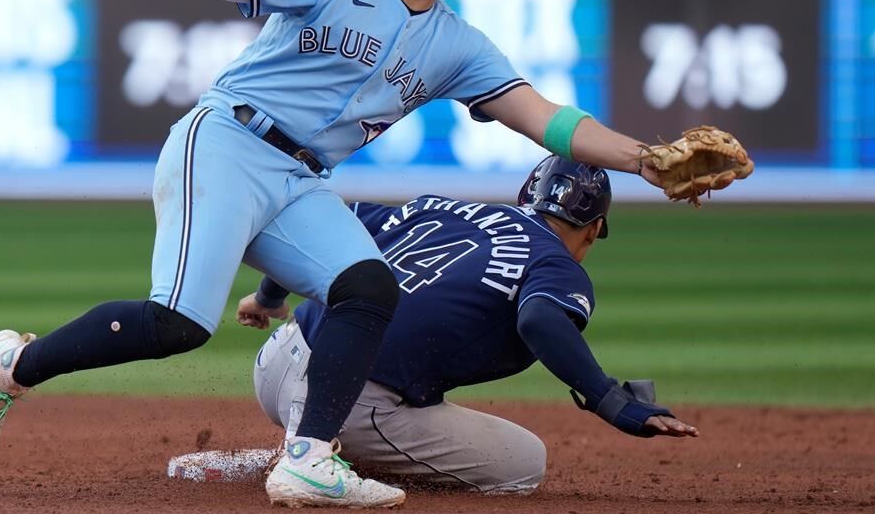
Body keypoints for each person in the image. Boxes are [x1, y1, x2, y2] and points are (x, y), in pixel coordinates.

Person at [0, 0, 667, 509]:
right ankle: (14, 365)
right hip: (228, 141)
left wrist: (647, 159)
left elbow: (548, 120)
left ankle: (308, 459)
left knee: (368, 286)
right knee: (179, 324)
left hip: (298, 179)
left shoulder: (458, 48)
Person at [241, 156, 698, 493]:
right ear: (595, 228)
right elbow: (540, 319)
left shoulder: (440, 207)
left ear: (526, 198)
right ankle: (317, 459)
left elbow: (329, 225)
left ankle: (304, 441)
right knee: (524, 462)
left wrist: (267, 297)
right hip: (351, 406)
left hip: (276, 364)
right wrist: (611, 401)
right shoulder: (554, 263)